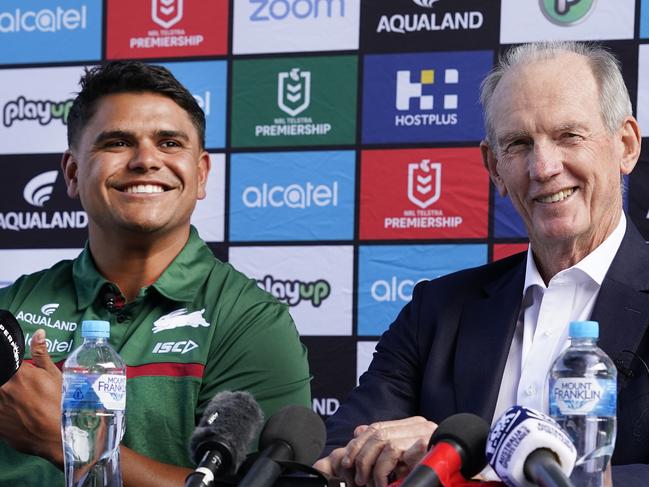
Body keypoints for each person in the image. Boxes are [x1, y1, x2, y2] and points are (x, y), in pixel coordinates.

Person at [315, 41, 649, 486]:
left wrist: (460, 460)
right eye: (518, 143)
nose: (544, 166)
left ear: (625, 145)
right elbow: (340, 454)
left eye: (569, 135)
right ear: (495, 169)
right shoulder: (436, 309)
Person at [0, 61, 311, 487]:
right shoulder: (12, 307)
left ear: (200, 173)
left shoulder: (250, 323)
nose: (146, 160)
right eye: (117, 142)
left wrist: (67, 441)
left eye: (168, 143)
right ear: (73, 173)